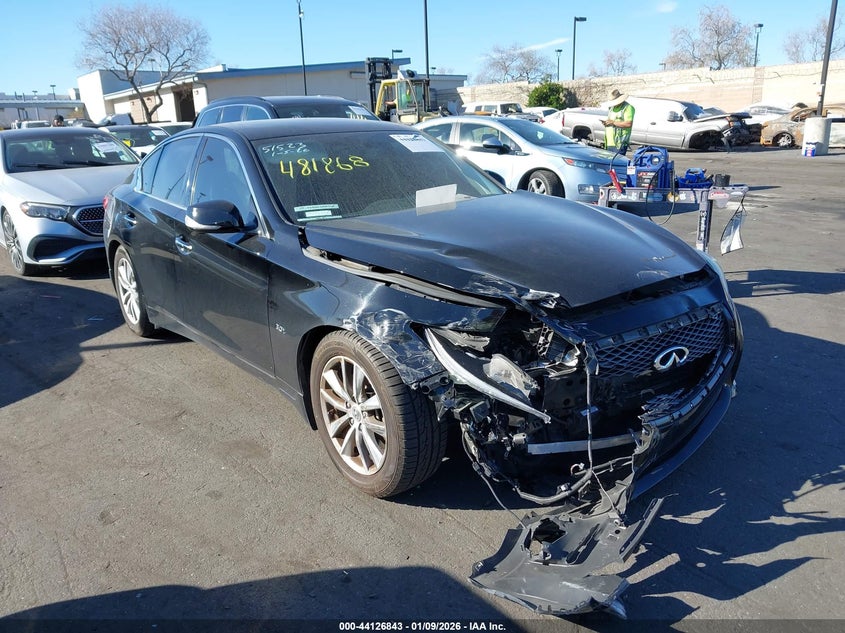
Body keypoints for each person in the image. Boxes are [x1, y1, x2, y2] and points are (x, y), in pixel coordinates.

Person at [603, 89, 634, 155]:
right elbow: (611, 121)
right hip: (609, 142)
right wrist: (607, 123)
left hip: (619, 143)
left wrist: (613, 122)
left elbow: (628, 124)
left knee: (617, 161)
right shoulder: (612, 108)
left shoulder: (628, 108)